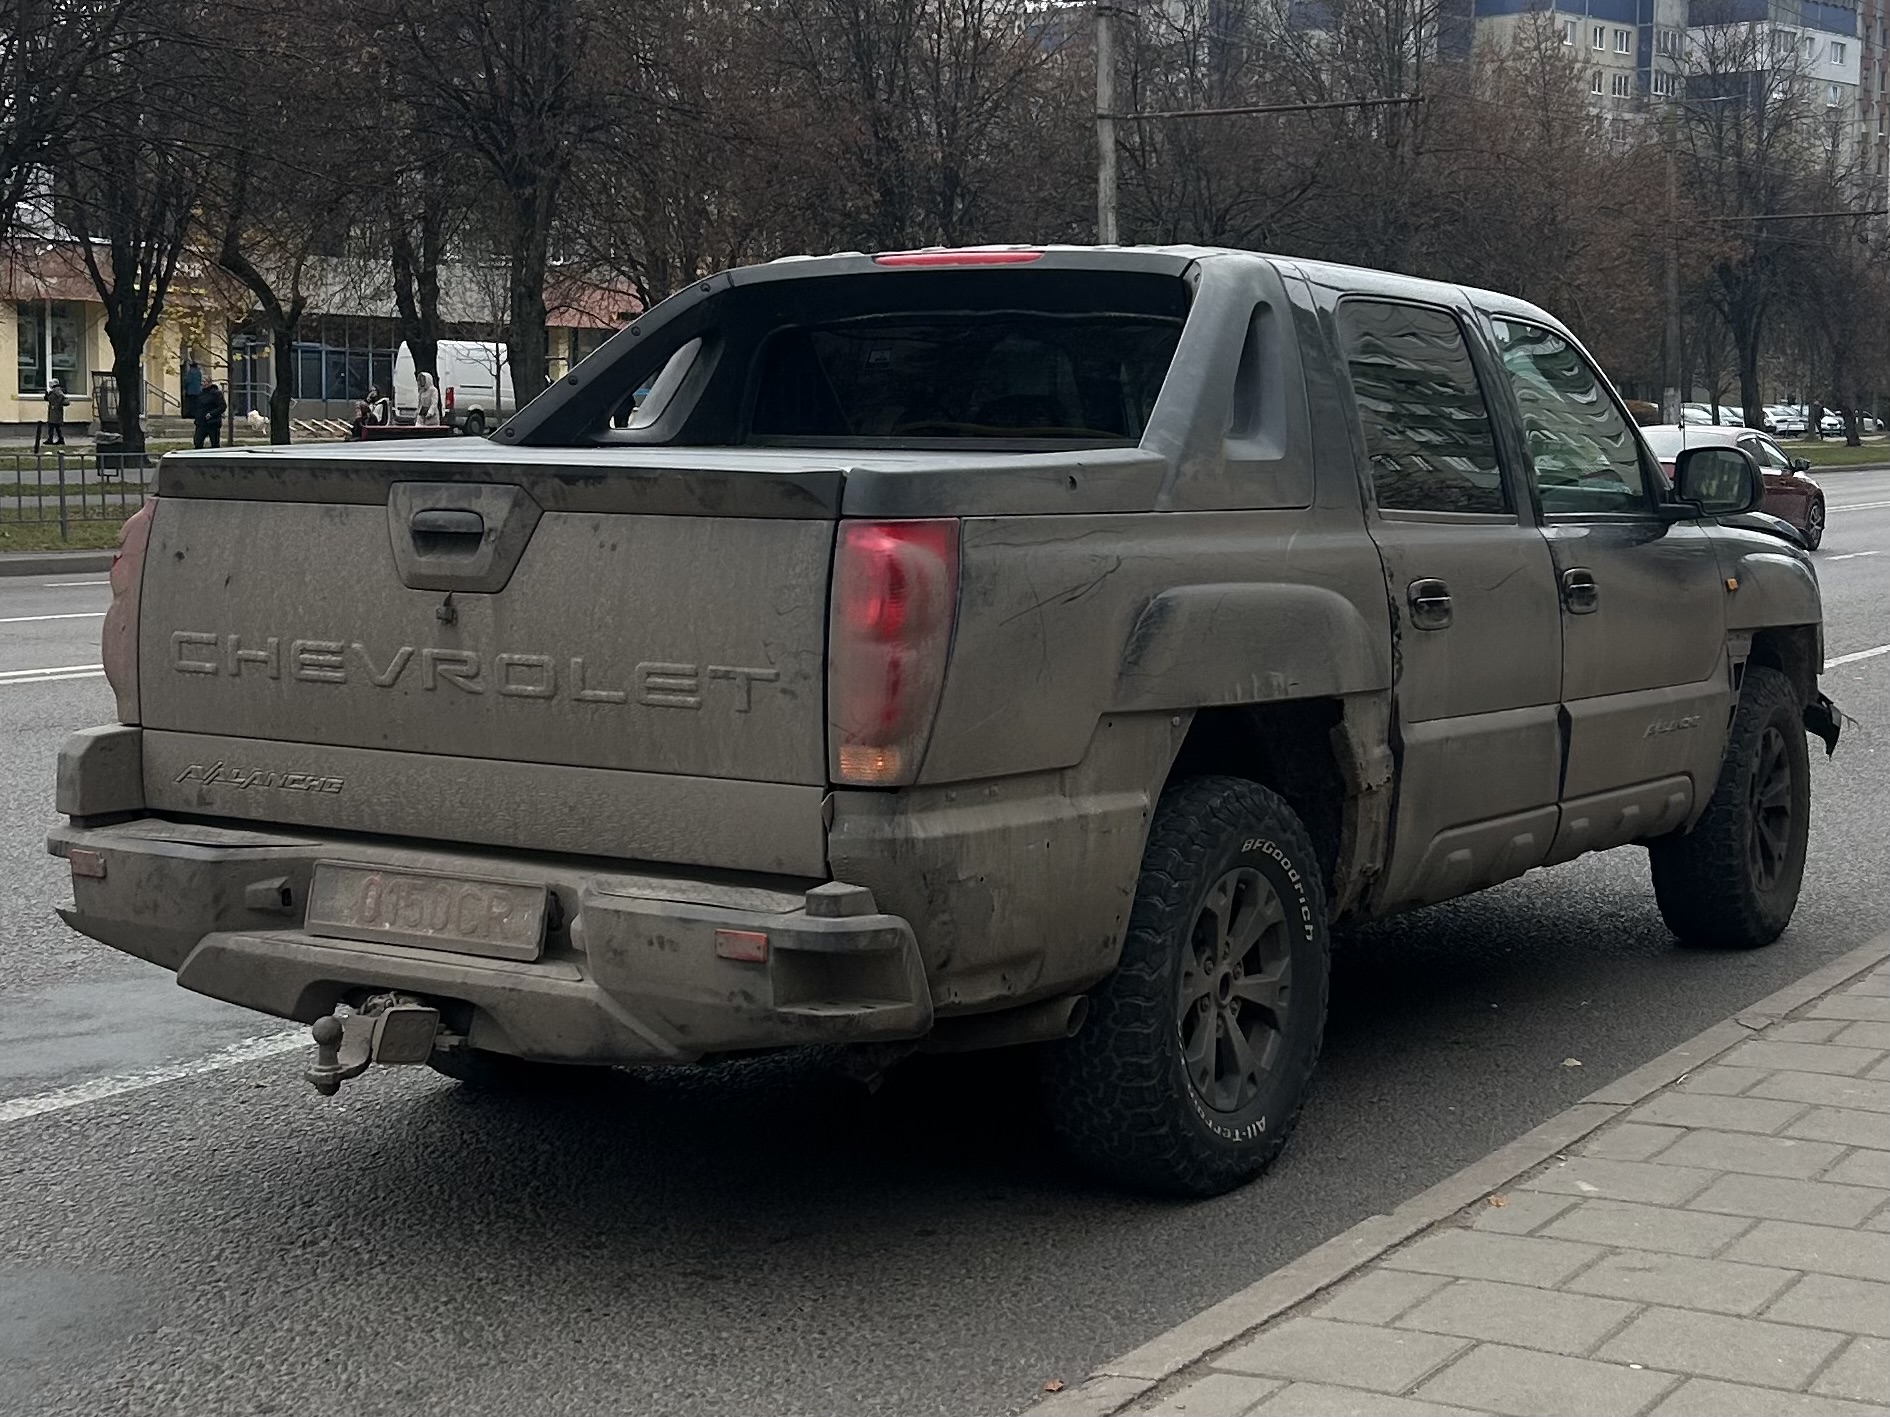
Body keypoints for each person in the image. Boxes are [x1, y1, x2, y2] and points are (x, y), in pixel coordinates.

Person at [194, 381, 227, 448]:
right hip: (201, 423)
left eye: (204, 381)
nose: (202, 383)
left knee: (215, 443)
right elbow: (197, 407)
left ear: (209, 383)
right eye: (201, 381)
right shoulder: (201, 393)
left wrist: (211, 414)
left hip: (213, 423)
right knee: (198, 442)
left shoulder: (216, 393)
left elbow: (222, 407)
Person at [44, 378, 69, 445]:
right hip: (53, 411)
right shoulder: (53, 391)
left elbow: (61, 396)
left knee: (52, 425)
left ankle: (51, 439)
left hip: (56, 412)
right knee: (55, 426)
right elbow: (49, 399)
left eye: (51, 383)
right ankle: (59, 439)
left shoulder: (57, 390)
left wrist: (56, 405)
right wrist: (46, 394)